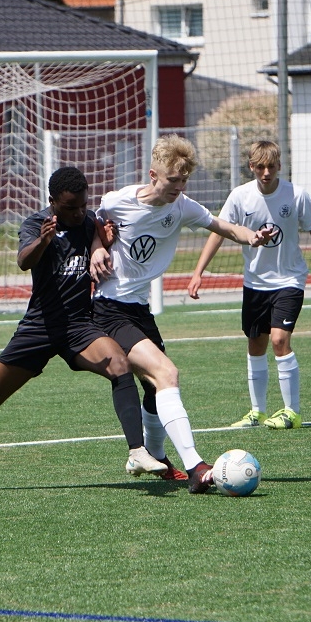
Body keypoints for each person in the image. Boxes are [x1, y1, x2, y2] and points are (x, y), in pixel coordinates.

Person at [0, 167, 168, 495]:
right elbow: (24, 260)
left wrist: (100, 242)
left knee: (119, 365)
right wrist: (43, 240)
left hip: (79, 326)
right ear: (52, 201)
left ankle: (137, 451)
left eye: (83, 205)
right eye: (70, 207)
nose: (79, 212)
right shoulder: (37, 224)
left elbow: (101, 233)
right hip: (39, 327)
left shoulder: (88, 221)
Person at [90, 134, 273, 495]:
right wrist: (97, 245)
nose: (178, 187)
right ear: (153, 174)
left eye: (184, 180)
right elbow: (89, 225)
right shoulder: (118, 201)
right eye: (172, 180)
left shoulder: (183, 206)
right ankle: (196, 467)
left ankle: (154, 456)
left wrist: (251, 236)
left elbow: (222, 226)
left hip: (138, 309)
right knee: (166, 373)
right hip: (108, 309)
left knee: (154, 387)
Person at [187, 140, 311, 431]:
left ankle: (292, 412)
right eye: (260, 167)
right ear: (251, 166)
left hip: (289, 280)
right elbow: (218, 232)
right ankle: (257, 412)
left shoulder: (296, 195)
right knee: (256, 344)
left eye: (271, 167)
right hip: (255, 284)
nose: (266, 172)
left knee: (279, 340)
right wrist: (198, 272)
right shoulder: (240, 196)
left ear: (279, 166)